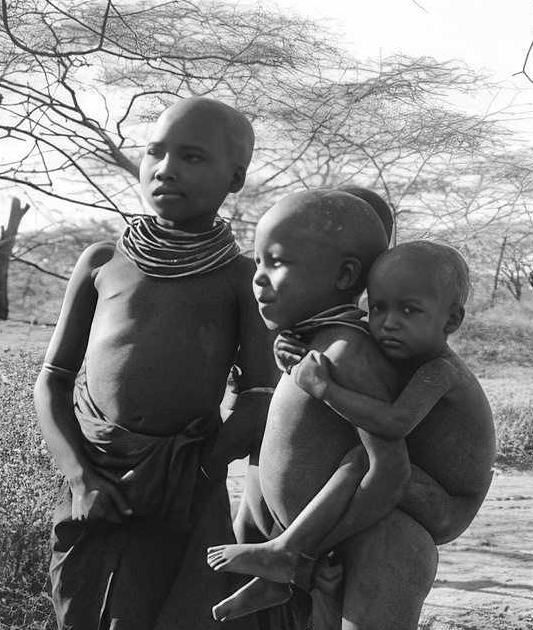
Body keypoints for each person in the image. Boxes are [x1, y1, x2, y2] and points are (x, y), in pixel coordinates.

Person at [30, 95, 276, 630]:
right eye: (157, 152)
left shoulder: (241, 278)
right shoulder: (102, 259)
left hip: (188, 494)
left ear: (234, 178)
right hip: (94, 498)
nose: (167, 169)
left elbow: (262, 390)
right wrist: (78, 474)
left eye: (194, 157)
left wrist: (208, 462)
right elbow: (55, 380)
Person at [240, 191, 487, 630]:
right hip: (356, 542)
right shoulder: (346, 342)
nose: (259, 278)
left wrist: (320, 381)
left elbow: (393, 466)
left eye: (278, 262)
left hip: (405, 528)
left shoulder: (359, 357)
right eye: (385, 310)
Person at [219, 183, 395, 630]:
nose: (260, 276)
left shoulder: (359, 347)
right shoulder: (287, 330)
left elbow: (377, 455)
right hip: (256, 516)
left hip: (324, 546)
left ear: (349, 274)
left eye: (279, 260)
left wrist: (313, 540)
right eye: (258, 258)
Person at [206, 240, 492, 611]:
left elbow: (396, 422)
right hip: (425, 482)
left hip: (449, 506)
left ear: (452, 320)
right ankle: (282, 567)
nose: (388, 322)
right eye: (377, 308)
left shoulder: (440, 371)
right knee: (346, 463)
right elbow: (336, 328)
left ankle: (292, 552)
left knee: (360, 461)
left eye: (409, 310)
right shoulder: (395, 347)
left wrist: (323, 389)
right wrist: (288, 350)